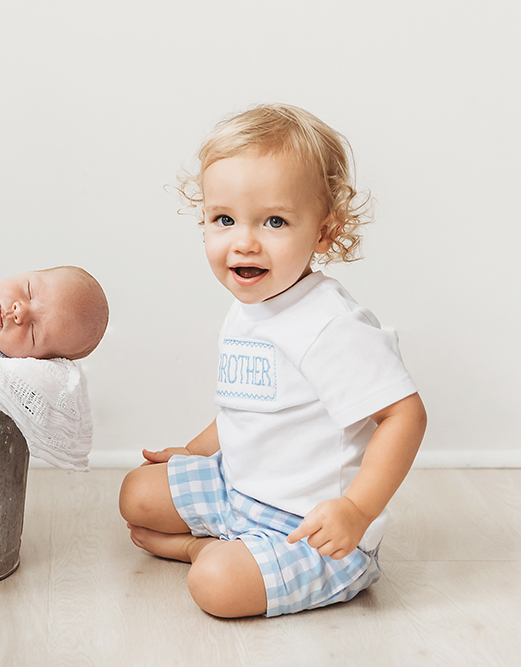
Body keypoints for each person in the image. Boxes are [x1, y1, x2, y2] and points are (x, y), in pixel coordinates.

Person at [118, 104, 427, 618]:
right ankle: (228, 542)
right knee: (137, 494)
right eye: (224, 219)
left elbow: (405, 415)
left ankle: (206, 552)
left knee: (215, 583)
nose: (244, 241)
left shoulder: (331, 325)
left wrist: (356, 511)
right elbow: (250, 404)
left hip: (312, 526)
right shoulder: (252, 304)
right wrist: (194, 451)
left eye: (275, 221)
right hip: (240, 489)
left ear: (324, 233)